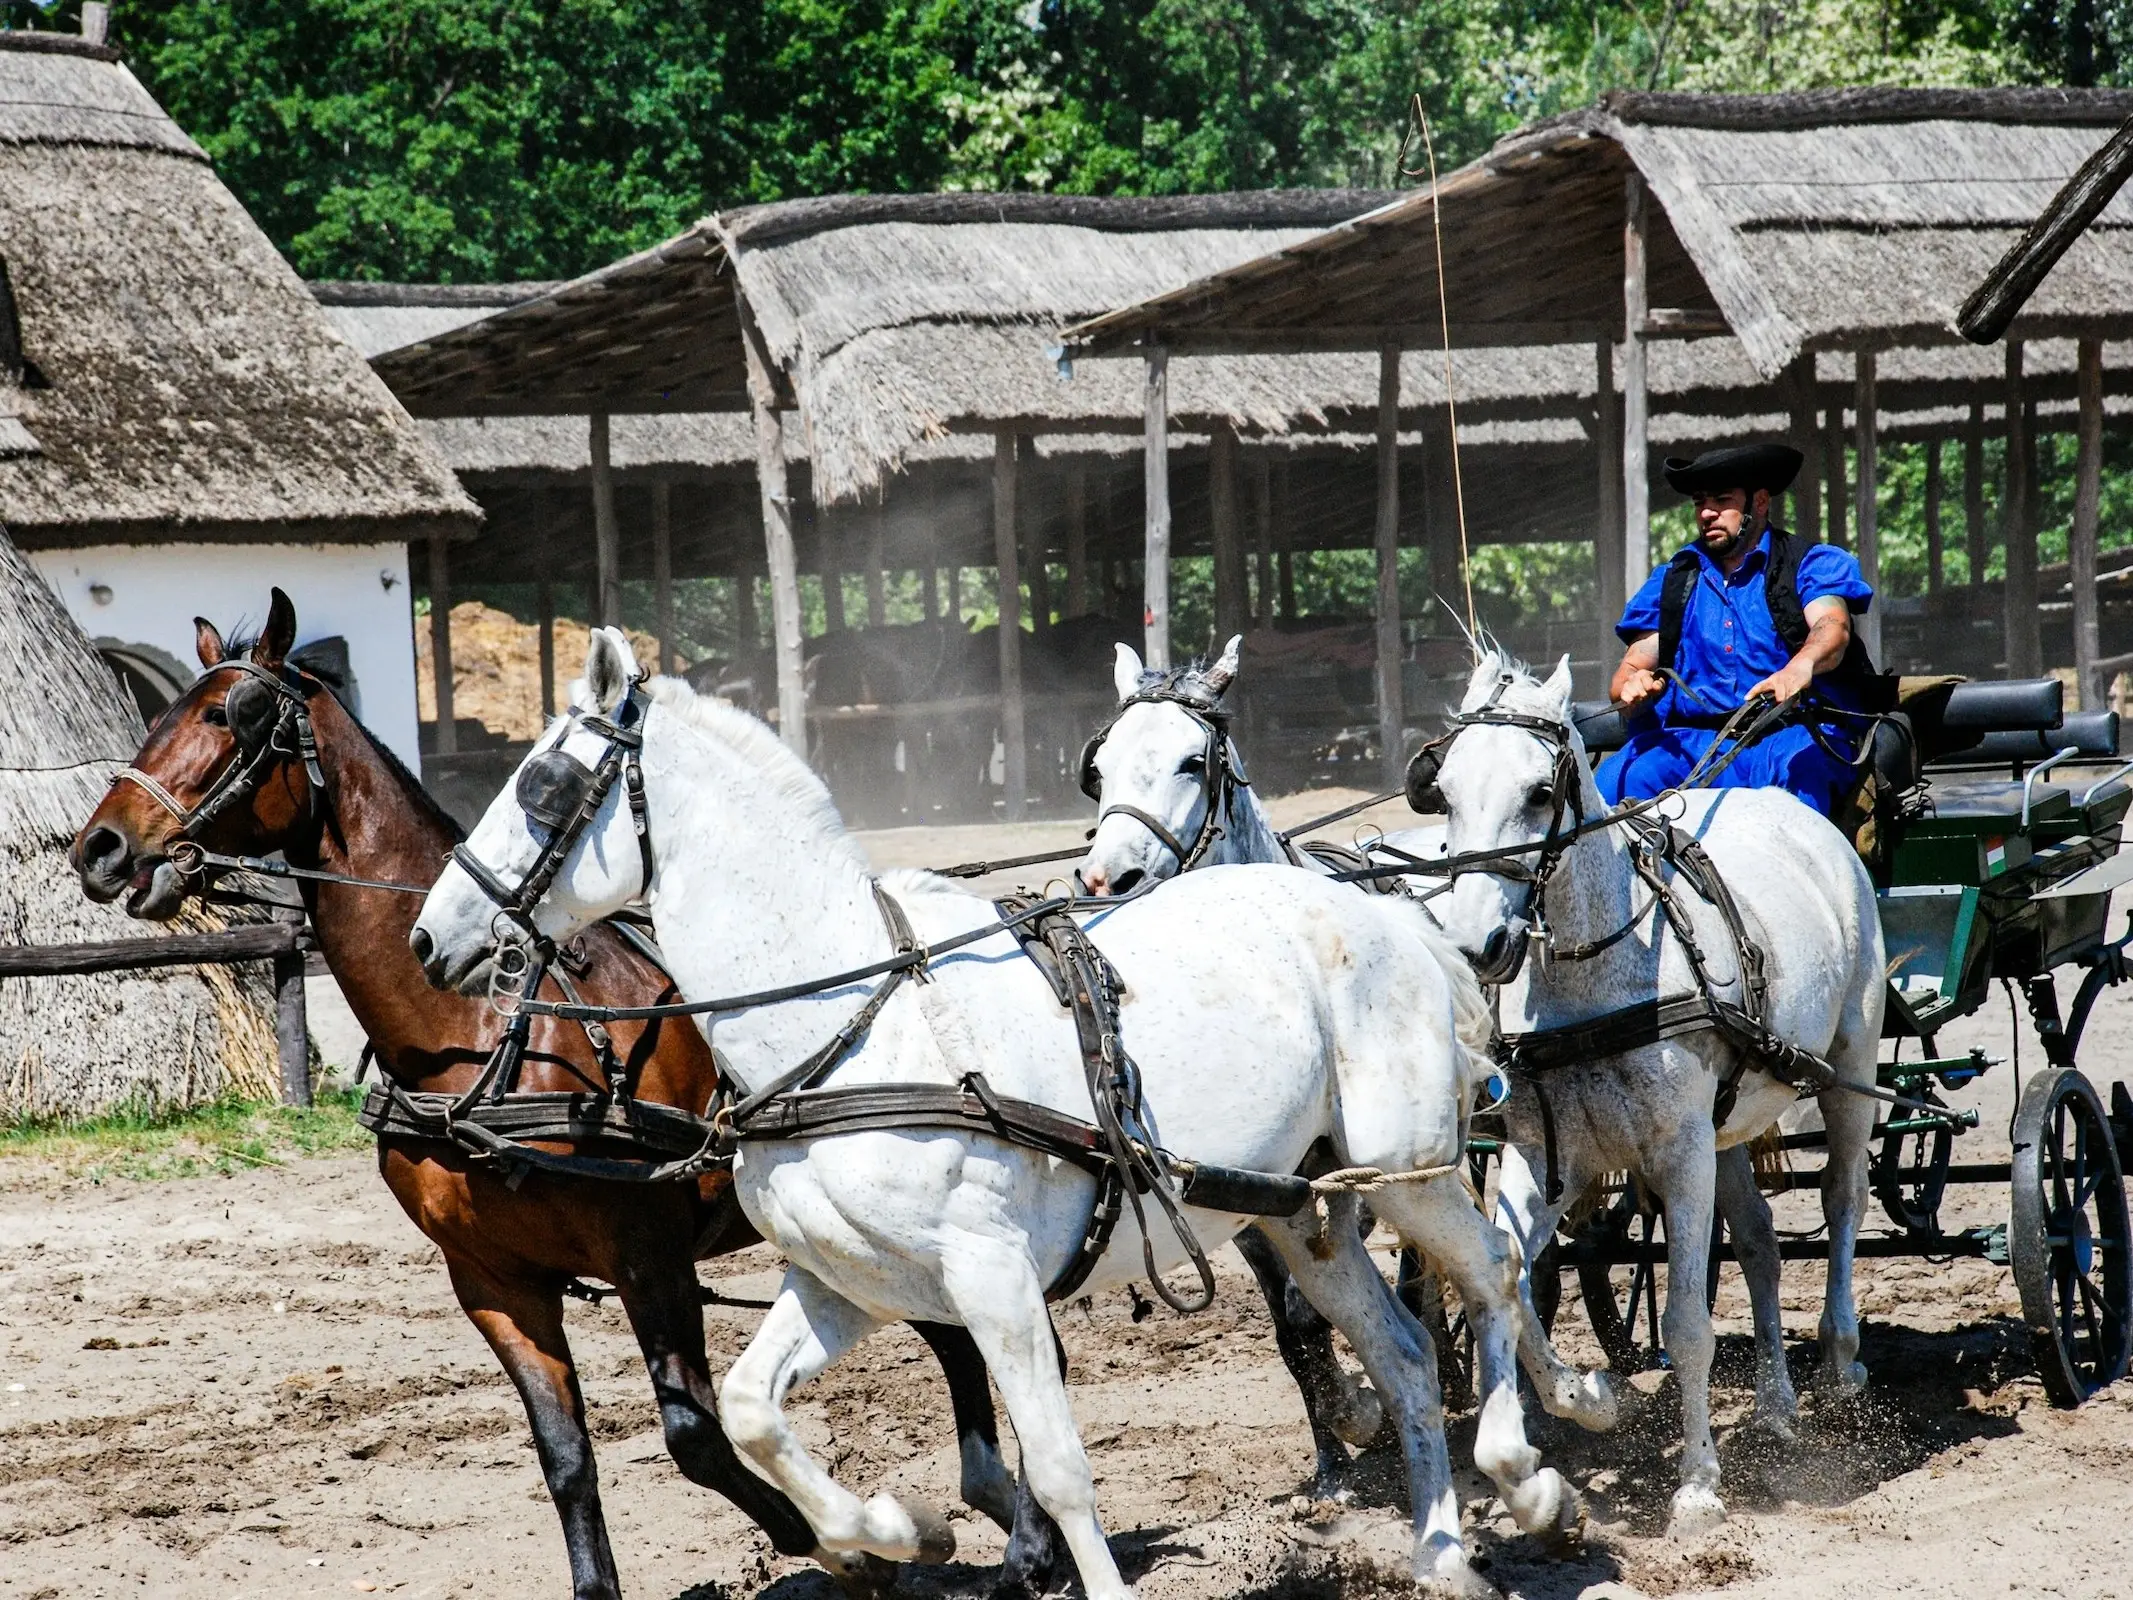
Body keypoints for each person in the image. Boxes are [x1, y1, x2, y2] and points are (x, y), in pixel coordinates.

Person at [1597, 442, 1876, 819]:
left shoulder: (1810, 562)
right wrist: (1631, 686)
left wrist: (1800, 667)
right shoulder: (1672, 581)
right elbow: (1632, 668)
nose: (1707, 513)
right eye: (1699, 503)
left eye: (1722, 500)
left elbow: (1833, 629)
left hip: (1788, 736)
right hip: (1690, 745)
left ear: (1759, 502)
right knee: (1614, 781)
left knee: (1799, 785)